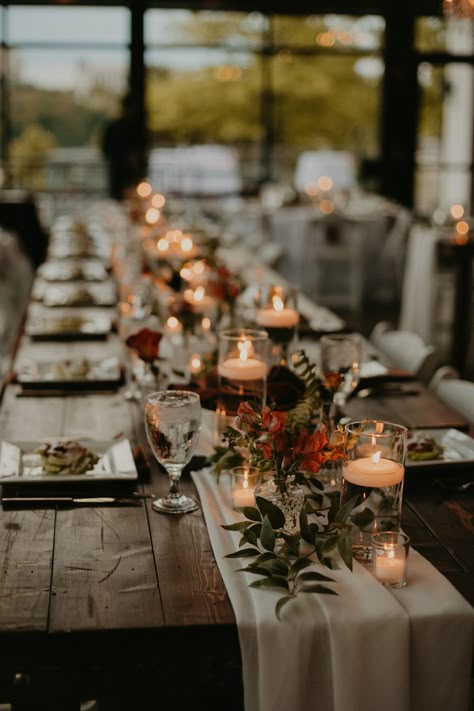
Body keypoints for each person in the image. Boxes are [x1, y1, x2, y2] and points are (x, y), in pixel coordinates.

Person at [101, 92, 146, 201]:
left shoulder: (116, 127)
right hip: (119, 176)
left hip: (126, 177)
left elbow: (105, 151)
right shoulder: (132, 129)